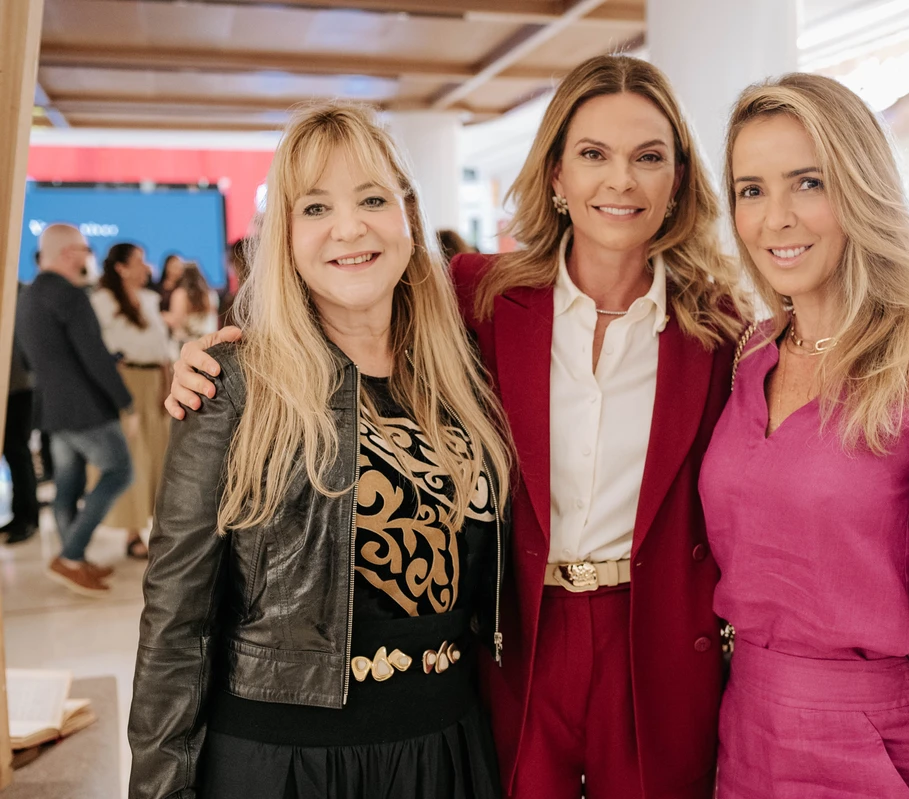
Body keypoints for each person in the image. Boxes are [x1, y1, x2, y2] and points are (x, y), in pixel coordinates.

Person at [166, 55, 746, 799]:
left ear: (679, 181)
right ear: (557, 177)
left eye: (649, 158)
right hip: (521, 636)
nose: (621, 181)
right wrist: (220, 356)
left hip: (654, 636)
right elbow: (353, 283)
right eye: (593, 155)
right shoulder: (481, 296)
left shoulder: (719, 330)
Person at [127, 102, 513, 799]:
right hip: (288, 767)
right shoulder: (232, 386)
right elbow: (175, 625)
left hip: (446, 748)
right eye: (315, 207)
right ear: (284, 238)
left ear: (407, 218)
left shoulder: (466, 377)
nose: (349, 227)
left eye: (372, 198)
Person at [699, 74, 909, 798]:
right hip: (746, 726)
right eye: (751, 190)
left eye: (807, 182)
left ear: (861, 187)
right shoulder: (752, 352)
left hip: (878, 742)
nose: (775, 218)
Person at [15, 223, 134, 597]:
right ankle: (70, 556)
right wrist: (125, 401)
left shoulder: (30, 296)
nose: (88, 256)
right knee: (119, 471)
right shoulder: (69, 295)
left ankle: (74, 560)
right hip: (86, 408)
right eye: (84, 250)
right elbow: (94, 357)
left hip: (53, 407)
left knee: (68, 485)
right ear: (69, 253)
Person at [90, 243, 173, 559]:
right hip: (127, 384)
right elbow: (95, 349)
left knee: (159, 455)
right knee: (134, 455)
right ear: (121, 267)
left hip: (156, 381)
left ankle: (159, 529)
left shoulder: (150, 300)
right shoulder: (102, 301)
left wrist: (167, 380)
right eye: (139, 261)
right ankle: (132, 533)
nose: (146, 267)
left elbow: (161, 347)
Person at [3, 286, 39, 546]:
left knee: (17, 452)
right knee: (13, 452)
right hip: (12, 387)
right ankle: (20, 514)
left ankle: (28, 517)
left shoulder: (19, 295)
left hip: (18, 387)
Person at [163, 261, 219, 356]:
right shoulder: (210, 295)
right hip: (206, 344)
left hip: (185, 346)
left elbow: (176, 321)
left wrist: (162, 316)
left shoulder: (180, 294)